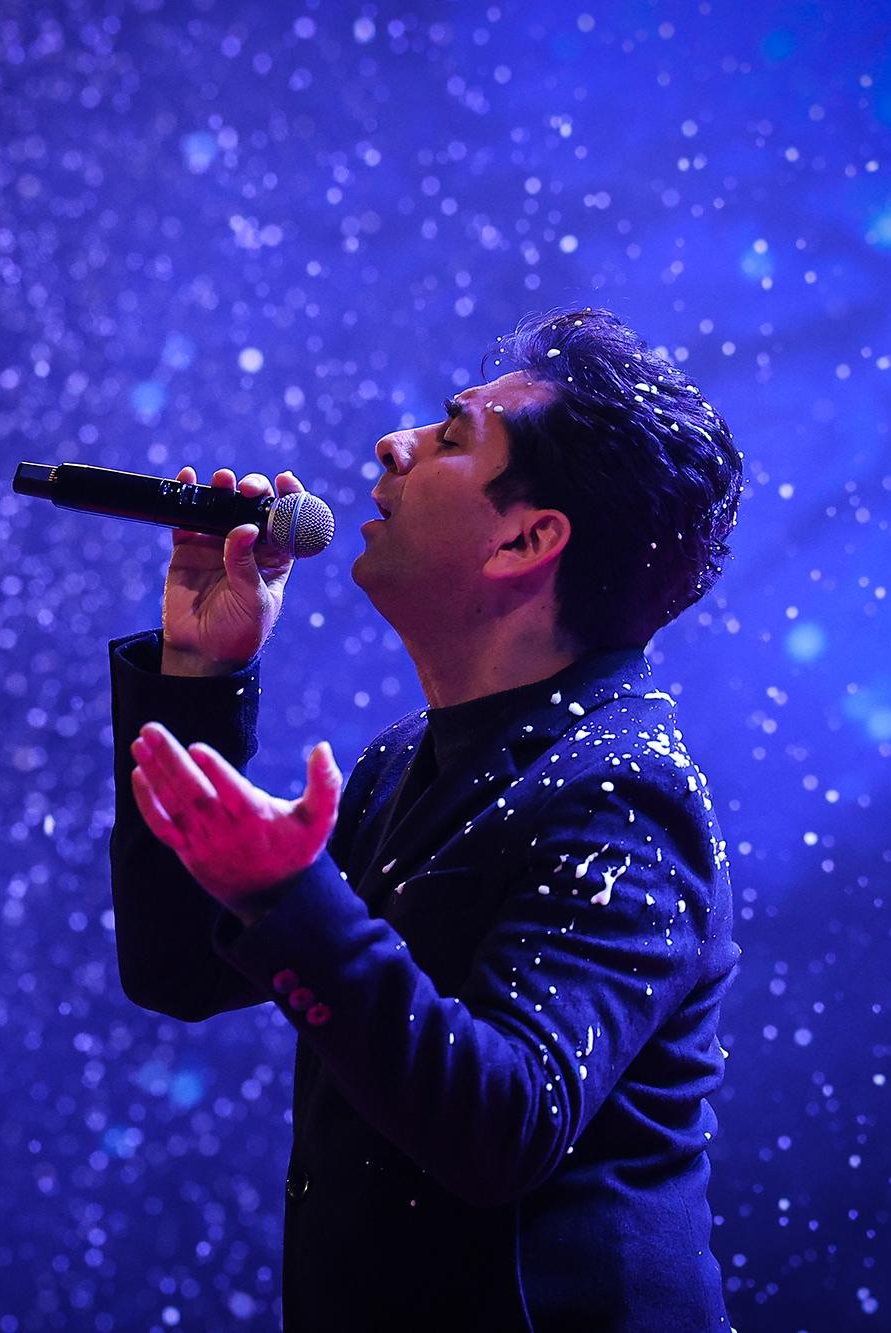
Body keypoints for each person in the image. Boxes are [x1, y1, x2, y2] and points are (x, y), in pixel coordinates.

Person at [106, 308, 747, 1330]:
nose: (391, 444)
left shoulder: (625, 792)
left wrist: (291, 895)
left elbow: (504, 1123)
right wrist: (196, 672)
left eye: (450, 436)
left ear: (527, 539)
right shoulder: (404, 761)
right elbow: (176, 969)